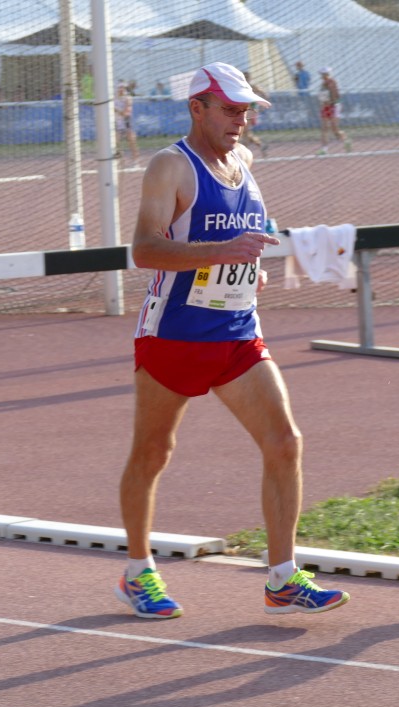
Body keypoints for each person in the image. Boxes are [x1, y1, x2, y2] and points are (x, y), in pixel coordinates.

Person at [114, 61, 350, 620]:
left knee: (285, 442)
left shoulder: (243, 160)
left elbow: (236, 245)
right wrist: (222, 255)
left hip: (237, 330)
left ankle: (283, 579)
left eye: (246, 110)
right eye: (230, 109)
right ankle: (138, 570)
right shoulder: (171, 166)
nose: (240, 119)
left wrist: (247, 270)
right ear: (197, 108)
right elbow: (145, 250)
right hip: (175, 332)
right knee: (153, 451)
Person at [316, 67, 351, 155]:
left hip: (334, 107)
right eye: (322, 74)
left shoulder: (332, 82)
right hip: (325, 107)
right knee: (324, 128)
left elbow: (336, 97)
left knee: (334, 129)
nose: (323, 76)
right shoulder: (322, 84)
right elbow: (322, 97)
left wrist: (330, 102)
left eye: (325, 74)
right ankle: (324, 149)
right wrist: (323, 102)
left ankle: (346, 140)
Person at [241, 71, 268, 157]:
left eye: (246, 77)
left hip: (250, 110)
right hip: (243, 109)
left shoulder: (252, 86)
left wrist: (262, 104)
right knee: (245, 132)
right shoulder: (240, 86)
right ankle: (261, 145)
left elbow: (264, 93)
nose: (245, 79)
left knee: (244, 131)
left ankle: (243, 152)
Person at [114, 81, 140, 165]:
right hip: (117, 122)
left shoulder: (127, 98)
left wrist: (115, 110)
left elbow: (125, 113)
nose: (121, 90)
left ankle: (136, 160)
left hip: (127, 122)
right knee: (115, 141)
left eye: (123, 88)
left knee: (131, 141)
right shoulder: (114, 98)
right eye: (120, 88)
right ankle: (120, 159)